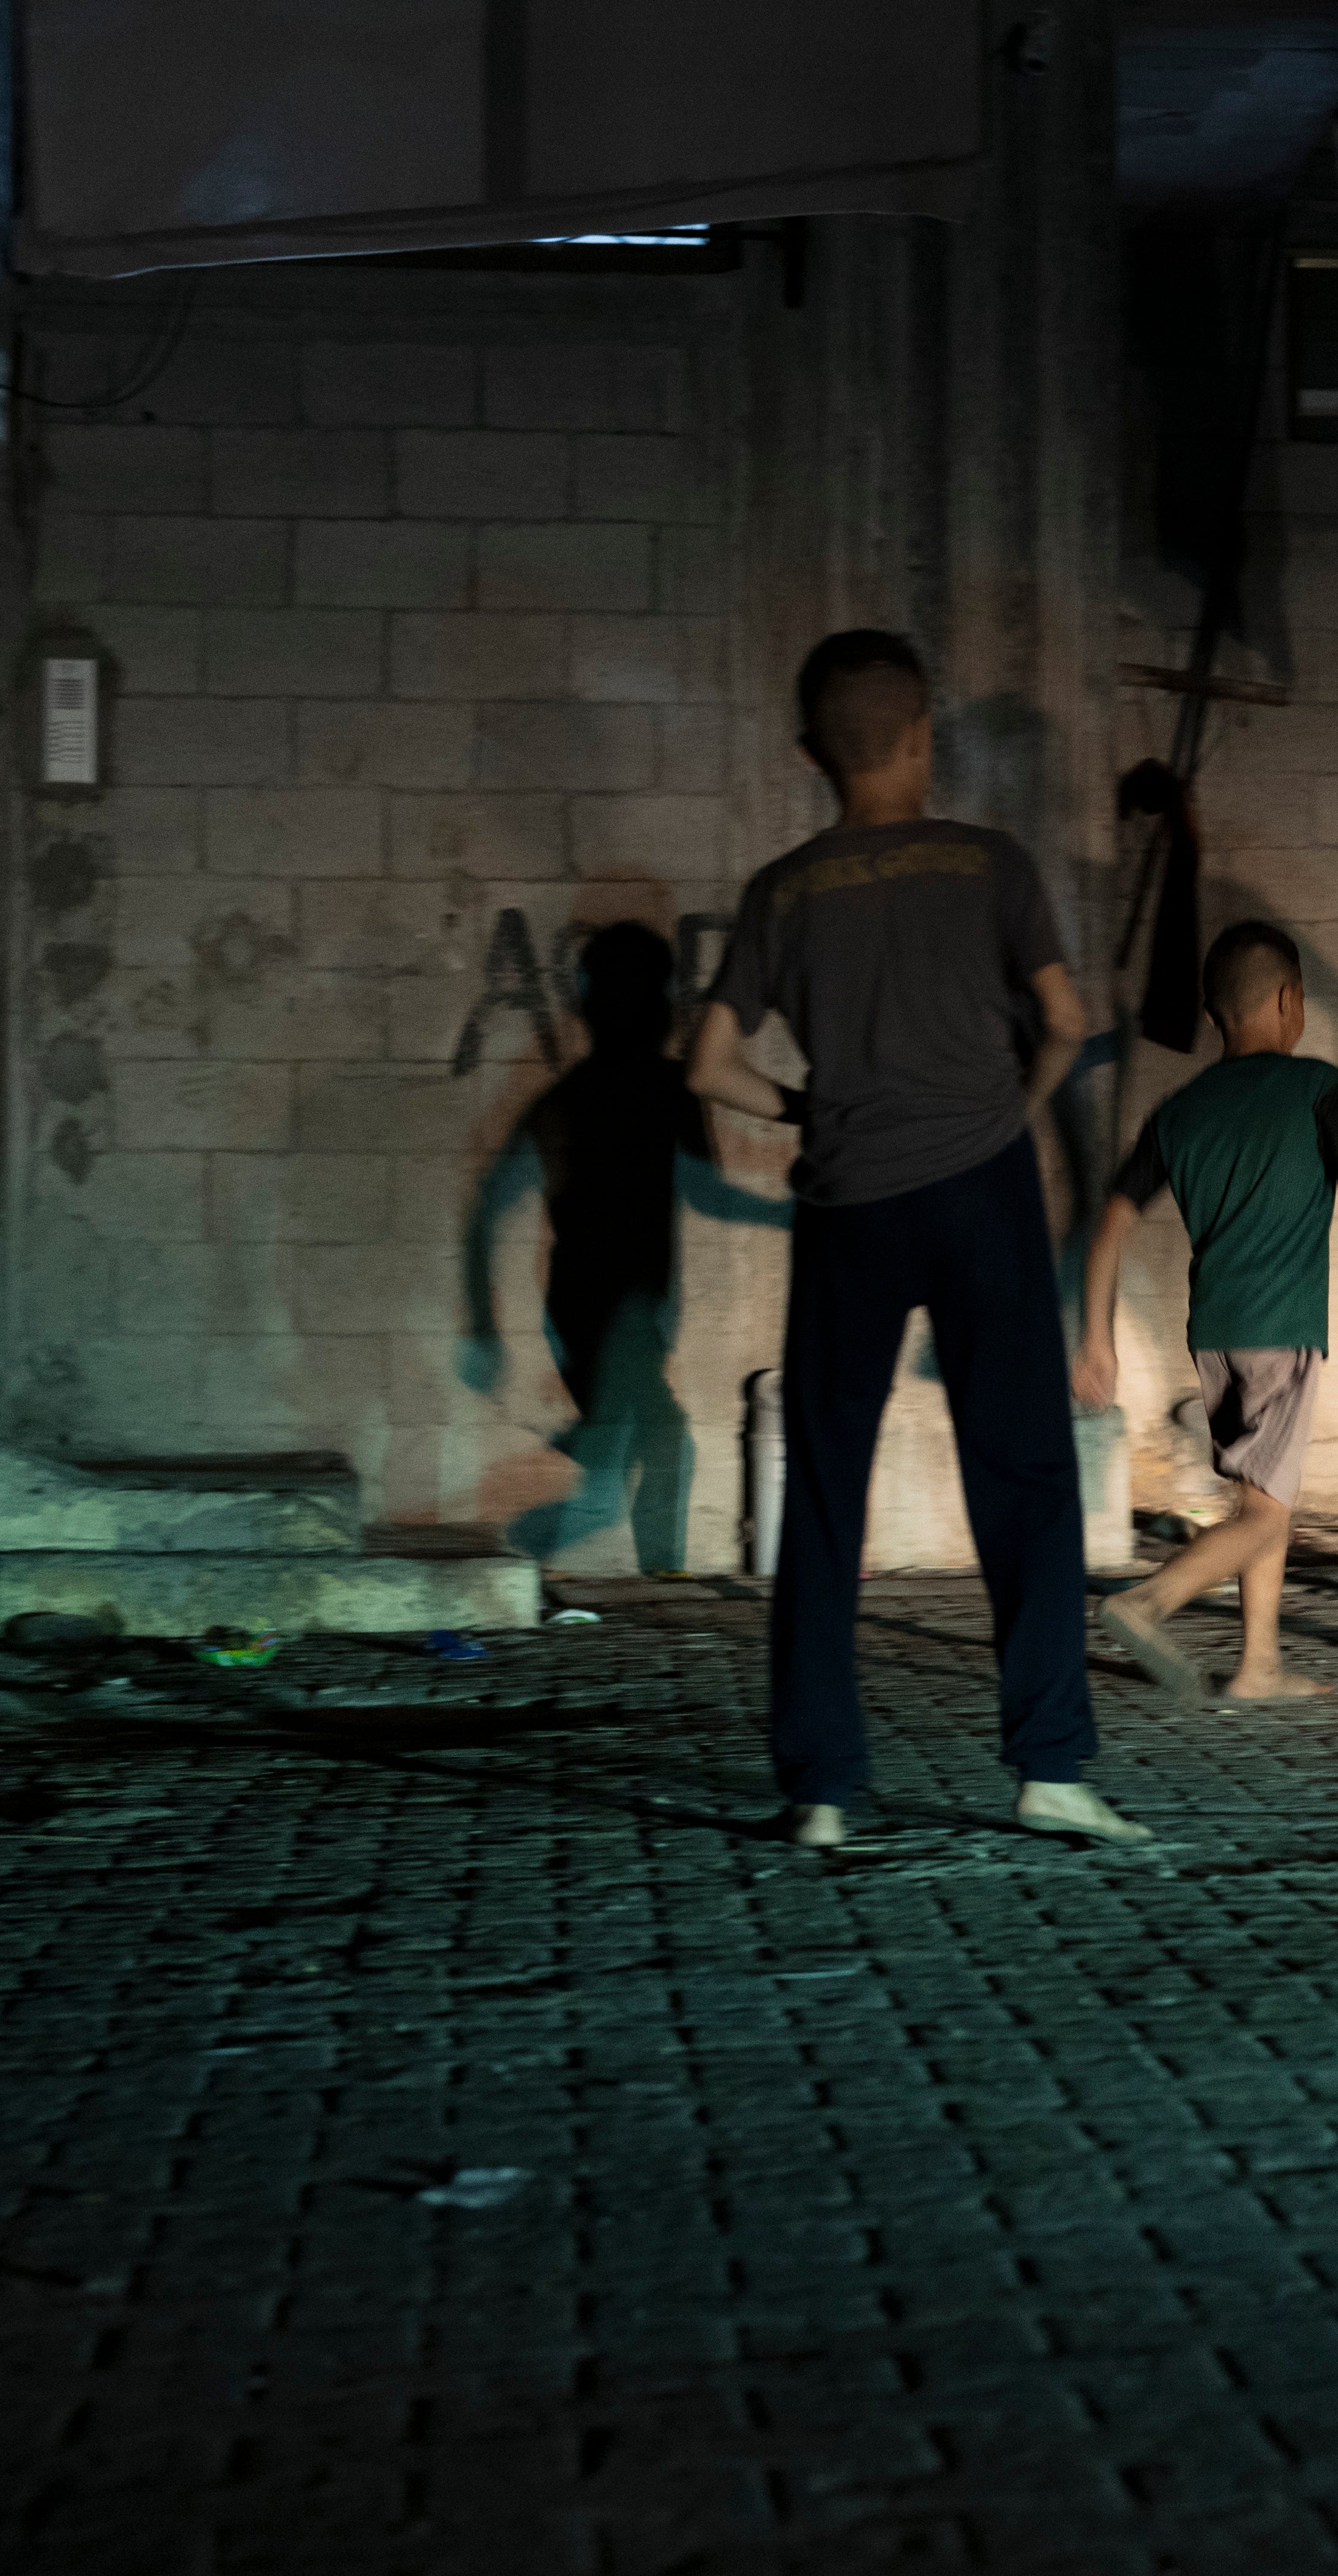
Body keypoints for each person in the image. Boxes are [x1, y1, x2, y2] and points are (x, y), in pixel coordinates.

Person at [684, 629, 1139, 1850]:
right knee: (1028, 1477)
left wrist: (804, 1109)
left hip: (849, 1203)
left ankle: (822, 1789)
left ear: (808, 755)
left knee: (828, 1490)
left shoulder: (785, 889)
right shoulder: (989, 861)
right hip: (980, 1186)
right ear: (926, 738)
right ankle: (1051, 1769)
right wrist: (1015, 1111)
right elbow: (1063, 1018)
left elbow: (709, 1065)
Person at [1069, 921, 1338, 1700]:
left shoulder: (1178, 1112)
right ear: (1289, 1001)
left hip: (1214, 1336)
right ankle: (1146, 1604)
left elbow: (1109, 1222)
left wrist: (1095, 1340)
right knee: (1268, 1515)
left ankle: (1258, 1666)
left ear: (1216, 1016)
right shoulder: (1318, 1089)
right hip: (1283, 1329)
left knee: (1262, 1500)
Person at [462, 921, 789, 1570]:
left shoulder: (633, 1092)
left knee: (641, 1454)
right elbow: (492, 1210)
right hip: (604, 1308)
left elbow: (703, 1192)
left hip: (624, 1307)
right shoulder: (602, 1096)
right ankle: (534, 1566)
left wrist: (486, 1330)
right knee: (651, 1457)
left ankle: (544, 1559)